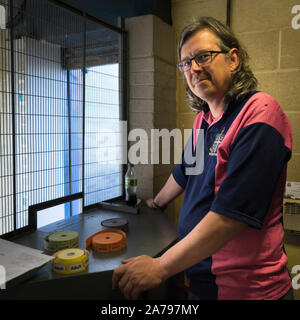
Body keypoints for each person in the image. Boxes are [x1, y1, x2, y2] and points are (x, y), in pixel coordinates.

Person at [112, 16, 293, 300]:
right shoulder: (203, 120)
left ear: (233, 59)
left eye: (203, 56)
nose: (194, 68)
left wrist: (160, 266)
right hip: (200, 281)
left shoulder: (260, 113)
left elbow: (231, 217)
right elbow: (185, 171)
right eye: (186, 62)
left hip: (248, 291)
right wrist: (156, 203)